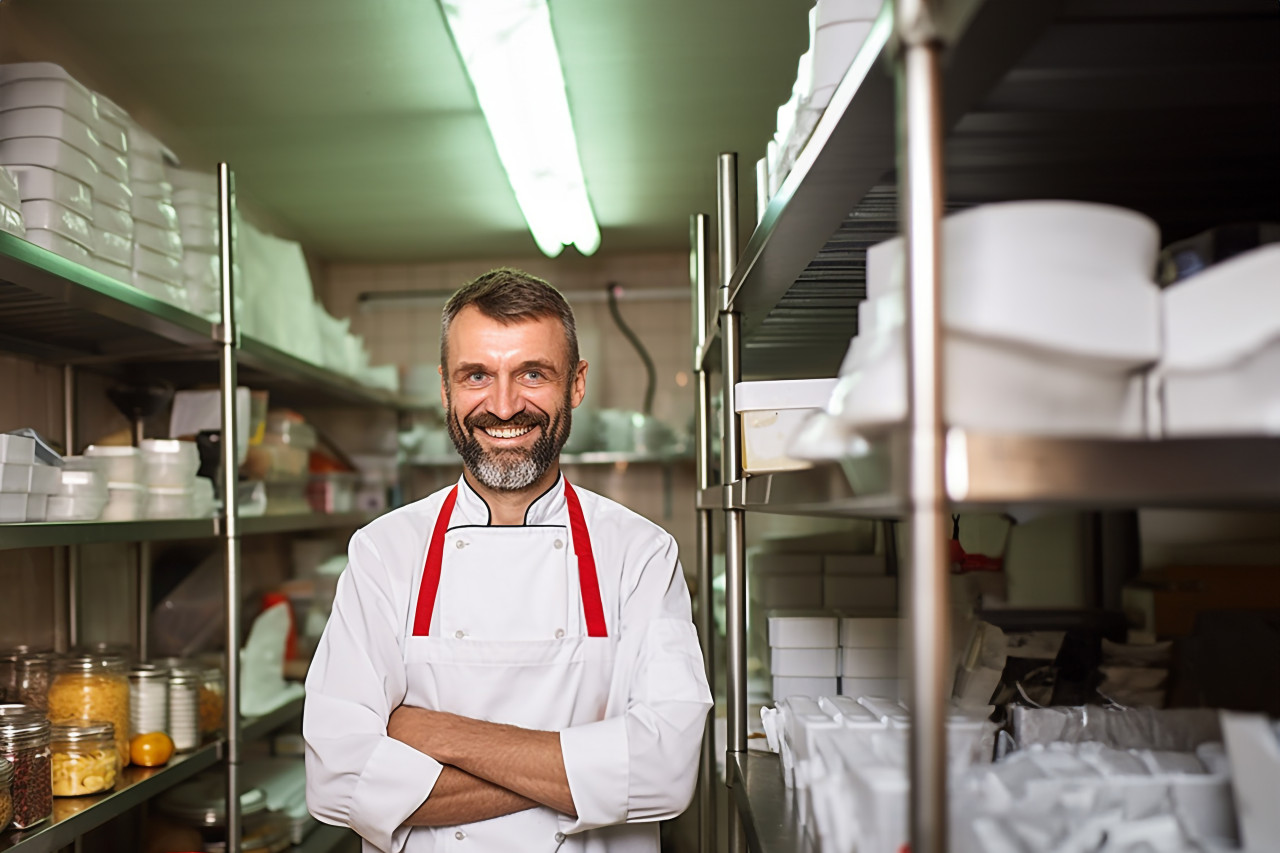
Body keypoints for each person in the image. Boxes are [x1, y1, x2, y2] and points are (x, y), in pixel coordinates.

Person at [304, 268, 712, 853]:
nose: (502, 406)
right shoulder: (383, 552)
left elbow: (666, 772)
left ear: (575, 384)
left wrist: (437, 733)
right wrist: (583, 764)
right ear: (446, 389)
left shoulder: (640, 553)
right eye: (476, 375)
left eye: (532, 374)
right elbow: (337, 781)